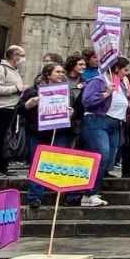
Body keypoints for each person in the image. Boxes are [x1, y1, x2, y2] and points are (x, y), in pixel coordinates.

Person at [79, 56, 130, 207]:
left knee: (109, 158)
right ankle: (89, 193)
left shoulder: (121, 83)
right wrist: (105, 93)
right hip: (97, 121)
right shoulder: (98, 81)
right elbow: (87, 101)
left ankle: (92, 192)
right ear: (116, 68)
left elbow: (121, 101)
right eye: (125, 69)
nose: (126, 73)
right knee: (100, 156)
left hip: (115, 123)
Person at [20, 62, 74, 209]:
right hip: (38, 132)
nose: (61, 75)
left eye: (63, 72)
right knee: (37, 163)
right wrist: (30, 104)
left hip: (59, 132)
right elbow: (20, 109)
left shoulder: (66, 92)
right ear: (47, 74)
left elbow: (73, 110)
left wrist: (70, 112)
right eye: (58, 72)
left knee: (57, 162)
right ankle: (34, 196)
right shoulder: (33, 91)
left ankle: (59, 194)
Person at [0, 45, 26, 176]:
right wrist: (16, 88)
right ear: (14, 56)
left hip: (12, 109)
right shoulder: (0, 69)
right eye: (22, 55)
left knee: (7, 139)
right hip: (1, 109)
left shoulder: (15, 71)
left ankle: (3, 166)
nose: (23, 59)